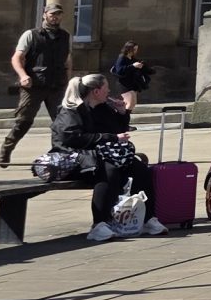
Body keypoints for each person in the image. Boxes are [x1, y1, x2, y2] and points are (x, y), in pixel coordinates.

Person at [53, 72, 153, 242]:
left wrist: (122, 112)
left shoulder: (102, 108)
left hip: (96, 155)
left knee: (140, 169)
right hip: (71, 159)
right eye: (106, 87)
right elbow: (70, 138)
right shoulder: (71, 111)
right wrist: (109, 138)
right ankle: (99, 224)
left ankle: (148, 218)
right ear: (96, 91)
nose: (109, 91)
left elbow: (117, 130)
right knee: (109, 171)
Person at [0, 5, 72, 162]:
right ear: (44, 15)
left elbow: (67, 60)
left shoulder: (65, 36)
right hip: (34, 84)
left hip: (56, 85)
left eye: (59, 14)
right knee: (23, 121)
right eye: (52, 14)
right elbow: (16, 57)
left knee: (62, 122)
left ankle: (58, 154)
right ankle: (7, 148)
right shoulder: (31, 35)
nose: (56, 17)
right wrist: (23, 75)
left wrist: (68, 80)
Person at [107, 41, 154, 114]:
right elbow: (120, 70)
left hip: (132, 84)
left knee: (132, 104)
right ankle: (122, 121)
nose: (135, 51)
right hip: (124, 84)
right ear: (128, 49)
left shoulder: (133, 59)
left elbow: (142, 69)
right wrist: (133, 66)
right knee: (129, 103)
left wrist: (146, 68)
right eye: (134, 49)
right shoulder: (122, 57)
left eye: (136, 49)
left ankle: (124, 121)